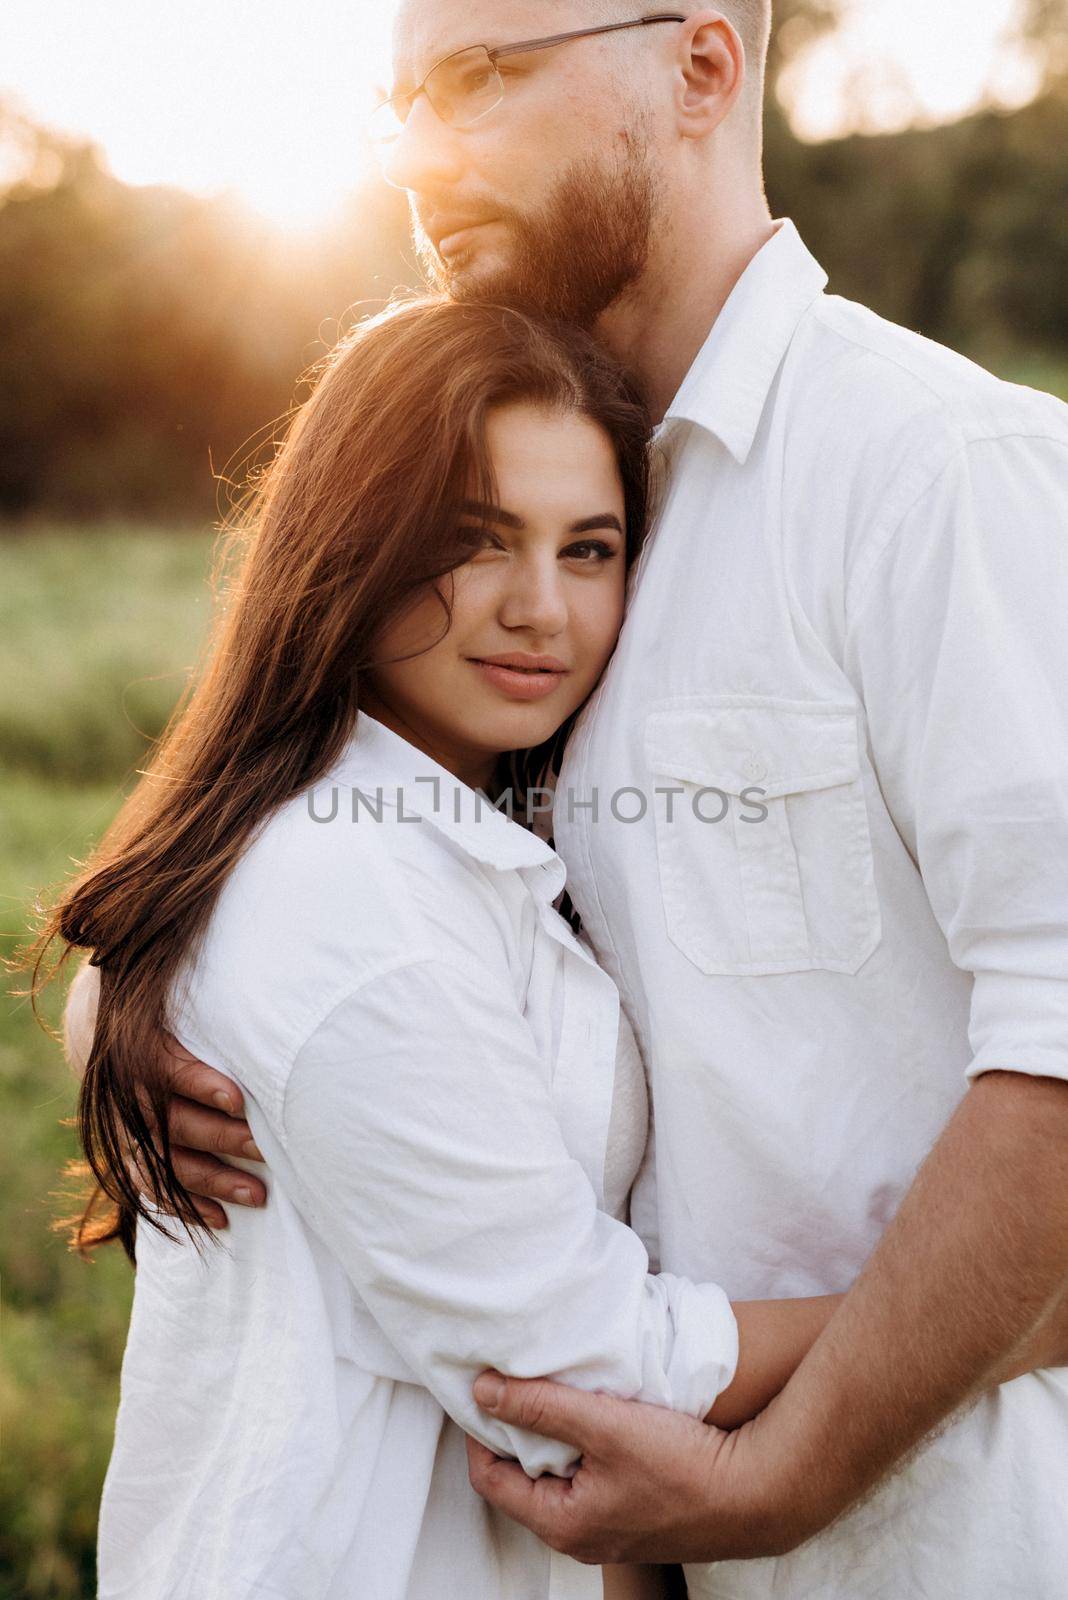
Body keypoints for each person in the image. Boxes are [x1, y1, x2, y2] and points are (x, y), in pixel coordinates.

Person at [119, 2, 1068, 1595]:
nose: (423, 152)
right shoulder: (563, 499)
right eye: (401, 100)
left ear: (702, 67)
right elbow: (358, 862)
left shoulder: (941, 473)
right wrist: (165, 999)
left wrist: (780, 1476)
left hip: (940, 1543)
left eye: (481, 78)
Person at [51, 297, 853, 1600]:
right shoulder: (358, 890)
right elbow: (576, 1376)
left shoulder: (472, 830)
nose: (541, 608)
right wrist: (984, 1325)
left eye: (588, 549)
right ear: (353, 542)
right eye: (476, 541)